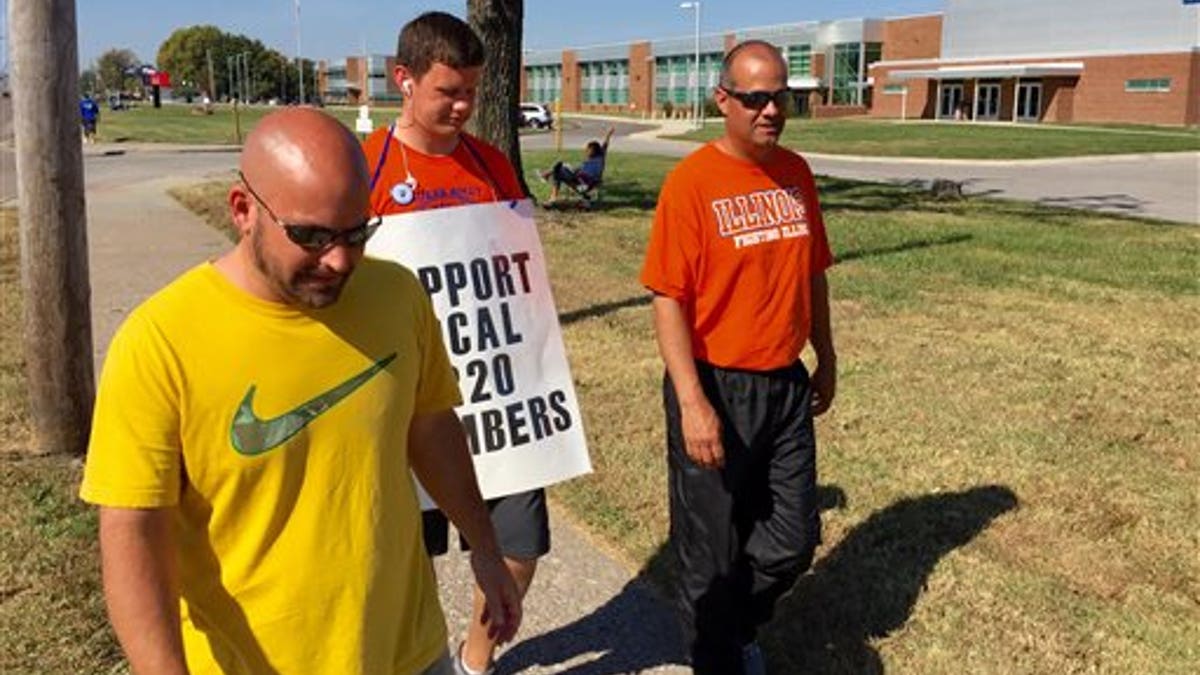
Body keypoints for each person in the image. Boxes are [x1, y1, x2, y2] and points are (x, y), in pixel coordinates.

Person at [79, 108, 521, 675]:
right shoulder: (159, 343)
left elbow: (430, 426)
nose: (339, 259)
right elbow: (133, 533)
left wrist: (484, 548)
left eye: (357, 231)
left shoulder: (398, 296)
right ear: (243, 210)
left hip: (409, 652)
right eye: (311, 236)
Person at [639, 40, 837, 675]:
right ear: (723, 100)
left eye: (782, 96)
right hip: (715, 387)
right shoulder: (691, 183)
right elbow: (668, 298)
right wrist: (693, 403)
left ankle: (732, 625)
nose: (771, 110)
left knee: (793, 539)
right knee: (710, 551)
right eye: (756, 98)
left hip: (783, 383)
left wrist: (825, 355)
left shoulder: (796, 173)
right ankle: (715, 654)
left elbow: (813, 275)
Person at [361, 12, 546, 675]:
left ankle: (474, 661)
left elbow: (518, 270)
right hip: (405, 401)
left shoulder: (492, 165)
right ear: (403, 80)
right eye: (449, 92)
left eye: (472, 90)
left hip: (494, 397)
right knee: (404, 556)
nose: (465, 106)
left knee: (519, 544)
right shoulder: (367, 169)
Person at [539, 126, 614, 203]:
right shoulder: (592, 160)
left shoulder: (599, 158)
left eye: (588, 150)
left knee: (558, 169)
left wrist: (609, 134)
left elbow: (605, 144)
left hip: (582, 185)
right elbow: (605, 144)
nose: (586, 151)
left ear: (594, 151)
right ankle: (552, 194)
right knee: (559, 170)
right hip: (579, 183)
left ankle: (548, 181)